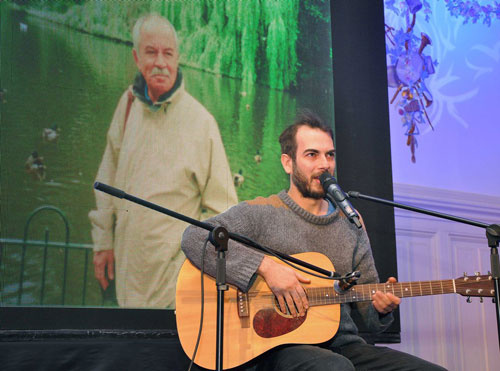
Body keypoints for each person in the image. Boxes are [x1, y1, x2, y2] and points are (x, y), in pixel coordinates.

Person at [181, 111, 446, 370]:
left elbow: (370, 312)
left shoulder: (351, 222)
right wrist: (266, 268)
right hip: (278, 349)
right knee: (334, 367)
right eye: (312, 155)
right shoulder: (261, 212)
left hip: (343, 344)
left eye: (330, 155)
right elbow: (194, 237)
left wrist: (383, 307)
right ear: (288, 162)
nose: (325, 164)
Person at [89, 14, 238, 309]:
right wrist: (103, 242)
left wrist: (195, 271)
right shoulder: (127, 105)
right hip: (123, 279)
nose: (160, 62)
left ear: (177, 58)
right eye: (151, 52)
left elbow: (224, 212)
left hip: (174, 291)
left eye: (168, 53)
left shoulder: (201, 123)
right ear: (135, 56)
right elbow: (106, 180)